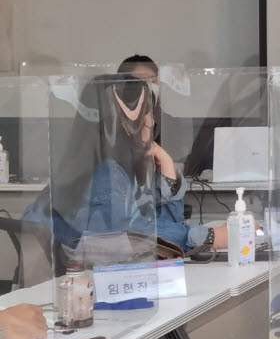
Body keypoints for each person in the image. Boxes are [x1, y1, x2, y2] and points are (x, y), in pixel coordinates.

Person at [21, 74, 227, 260]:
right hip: (86, 292)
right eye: (148, 112)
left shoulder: (112, 170)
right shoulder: (105, 174)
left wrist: (166, 167)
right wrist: (210, 237)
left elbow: (165, 237)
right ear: (127, 120)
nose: (152, 121)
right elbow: (140, 236)